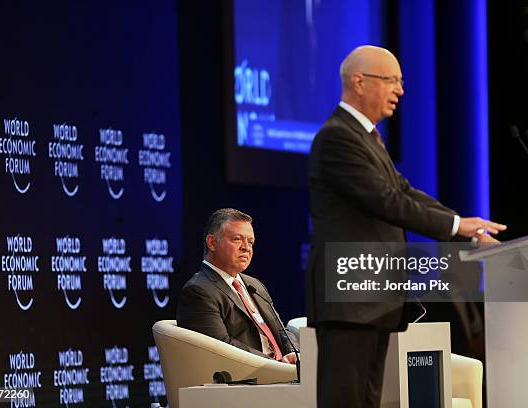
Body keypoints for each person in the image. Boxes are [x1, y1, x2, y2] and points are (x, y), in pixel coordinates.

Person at [306, 45, 506, 408]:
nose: (400, 90)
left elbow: (403, 190)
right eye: (392, 80)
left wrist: (465, 223)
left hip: (373, 294)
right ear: (359, 82)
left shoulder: (366, 137)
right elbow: (388, 201)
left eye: (400, 81)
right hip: (351, 295)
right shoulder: (337, 137)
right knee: (344, 400)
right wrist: (456, 227)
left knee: (367, 400)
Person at [177, 208, 298, 364]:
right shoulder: (198, 291)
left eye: (250, 242)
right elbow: (222, 348)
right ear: (212, 243)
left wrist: (296, 355)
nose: (246, 247)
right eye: (237, 239)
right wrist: (275, 363)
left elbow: (281, 331)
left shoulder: (254, 285)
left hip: (284, 374)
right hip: (248, 380)